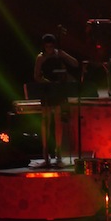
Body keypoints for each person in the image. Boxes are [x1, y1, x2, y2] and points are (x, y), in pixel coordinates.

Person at [33, 33, 80, 165]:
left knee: (58, 121)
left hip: (59, 90)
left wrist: (64, 55)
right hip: (47, 90)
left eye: (51, 46)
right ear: (43, 46)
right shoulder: (40, 58)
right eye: (47, 46)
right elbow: (36, 76)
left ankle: (58, 150)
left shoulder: (59, 54)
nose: (49, 49)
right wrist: (46, 82)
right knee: (46, 122)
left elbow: (75, 64)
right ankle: (45, 151)